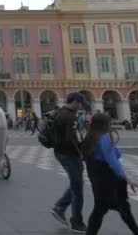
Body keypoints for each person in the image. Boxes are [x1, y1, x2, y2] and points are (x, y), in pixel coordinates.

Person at [81, 113, 138, 235]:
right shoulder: (104, 137)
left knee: (100, 209)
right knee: (123, 207)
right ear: (105, 124)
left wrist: (114, 150)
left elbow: (110, 154)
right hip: (109, 180)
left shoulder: (90, 136)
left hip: (97, 179)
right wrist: (127, 179)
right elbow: (113, 162)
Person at [49, 92, 88, 233]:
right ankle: (77, 222)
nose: (81, 106)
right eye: (80, 103)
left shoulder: (59, 112)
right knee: (78, 189)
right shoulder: (70, 116)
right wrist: (81, 153)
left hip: (60, 152)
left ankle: (60, 207)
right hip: (69, 154)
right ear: (75, 102)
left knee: (76, 183)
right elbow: (70, 139)